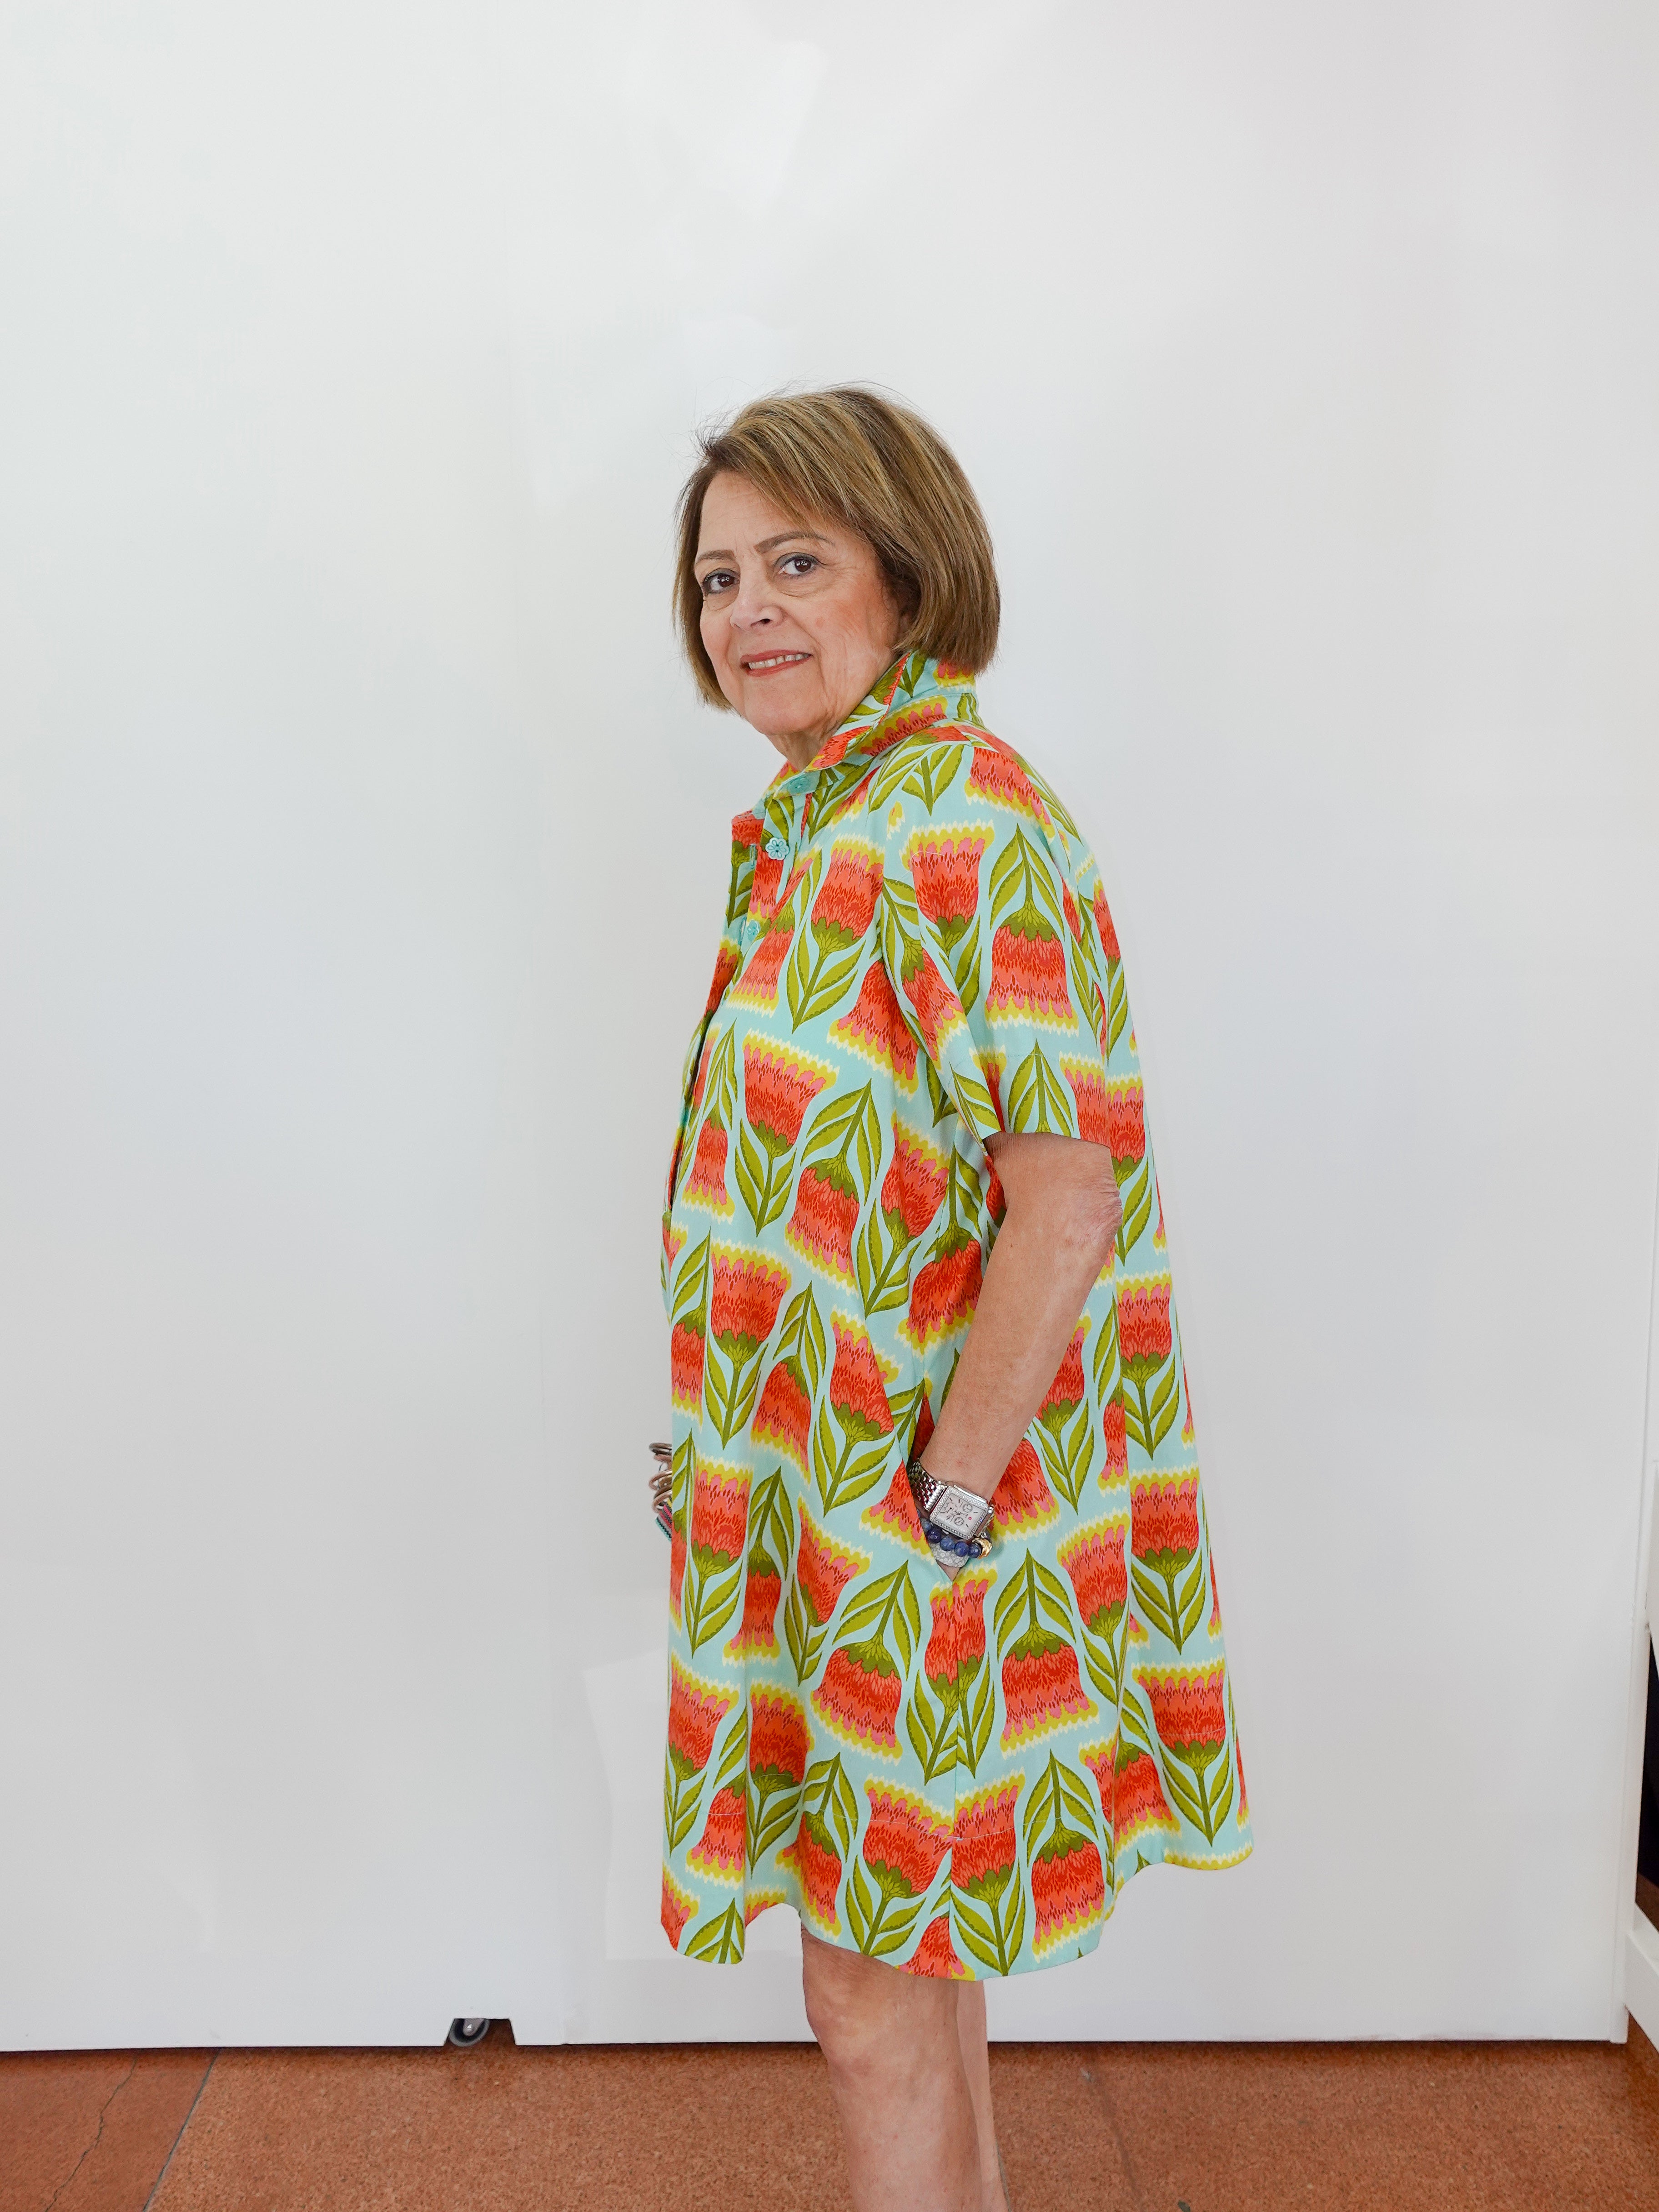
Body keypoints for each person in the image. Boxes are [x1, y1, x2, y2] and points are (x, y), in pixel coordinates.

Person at [657, 388, 1250, 2212]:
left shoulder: (962, 825)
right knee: (910, 1948)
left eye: (797, 561)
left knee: (861, 1974)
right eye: (716, 576)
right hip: (841, 1503)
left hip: (917, 1514)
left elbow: (1064, 1194)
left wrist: (947, 1497)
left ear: (909, 580)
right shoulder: (830, 819)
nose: (745, 606)